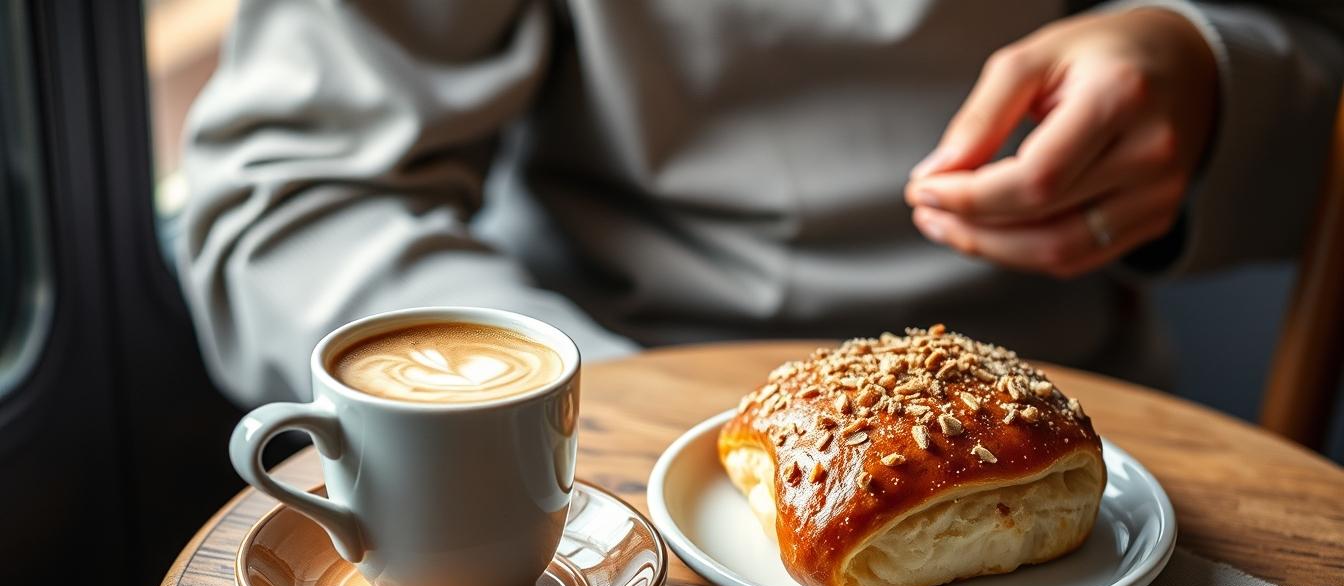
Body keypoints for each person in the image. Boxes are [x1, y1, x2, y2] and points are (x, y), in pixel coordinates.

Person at [178, 1, 1344, 406]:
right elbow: (284, 193)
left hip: (1070, 421)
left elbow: (1314, 79)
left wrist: (1201, 64)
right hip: (600, 430)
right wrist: (572, 407)